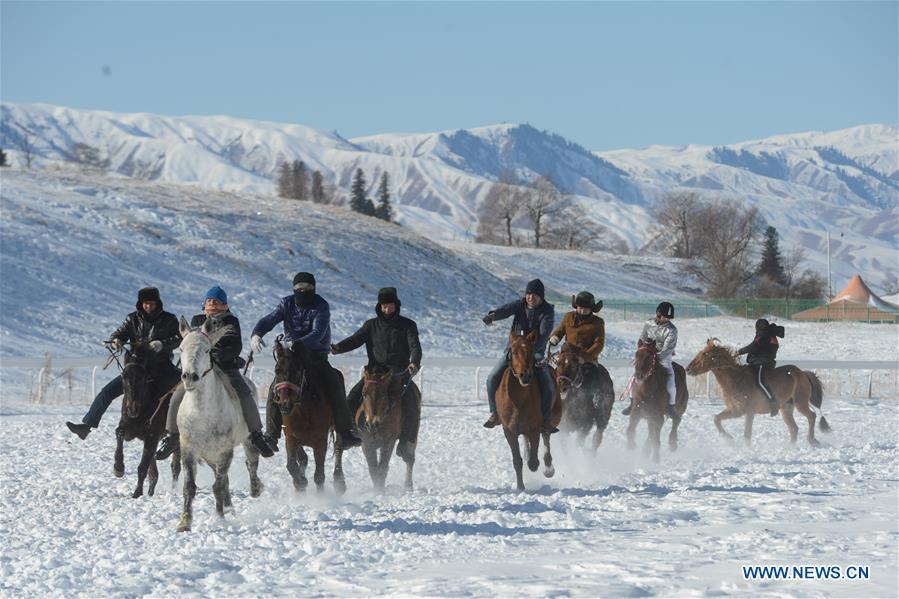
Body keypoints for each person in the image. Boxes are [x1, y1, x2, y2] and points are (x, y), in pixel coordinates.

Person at [155, 286, 274, 460]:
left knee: (244, 393)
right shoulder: (197, 319)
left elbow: (235, 346)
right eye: (209, 301)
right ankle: (172, 436)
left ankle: (256, 434)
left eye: (216, 301)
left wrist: (213, 357)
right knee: (176, 396)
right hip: (199, 369)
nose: (212, 304)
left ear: (224, 305)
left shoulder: (231, 321)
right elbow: (192, 342)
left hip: (224, 366)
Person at [250, 272, 362, 449]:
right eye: (298, 288)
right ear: (294, 289)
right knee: (275, 388)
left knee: (335, 383)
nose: (303, 290)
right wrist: (257, 333)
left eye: (307, 288)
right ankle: (272, 434)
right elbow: (270, 319)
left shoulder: (321, 306)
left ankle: (345, 432)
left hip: (316, 355)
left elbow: (318, 332)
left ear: (314, 288)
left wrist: (298, 342)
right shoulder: (286, 303)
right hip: (292, 357)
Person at [66, 287, 181, 439]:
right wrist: (116, 340)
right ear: (141, 303)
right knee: (107, 392)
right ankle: (86, 425)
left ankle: (176, 433)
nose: (149, 306)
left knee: (183, 389)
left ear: (158, 303)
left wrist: (162, 344)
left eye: (152, 303)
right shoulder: (132, 319)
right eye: (146, 303)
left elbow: (179, 337)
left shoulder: (170, 319)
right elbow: (119, 333)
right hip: (137, 368)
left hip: (161, 366)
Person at [331, 287, 422, 460]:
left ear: (396, 305)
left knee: (411, 403)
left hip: (398, 376)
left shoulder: (408, 325)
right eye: (383, 306)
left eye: (390, 306)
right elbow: (355, 339)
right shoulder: (371, 325)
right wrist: (338, 348)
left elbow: (415, 346)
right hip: (374, 376)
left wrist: (414, 362)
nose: (387, 309)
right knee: (351, 398)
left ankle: (405, 443)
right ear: (379, 306)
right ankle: (350, 435)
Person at [482, 278, 558, 434]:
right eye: (529, 293)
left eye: (535, 294)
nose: (531, 297)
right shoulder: (520, 304)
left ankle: (545, 419)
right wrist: (493, 316)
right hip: (514, 351)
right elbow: (506, 310)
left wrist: (531, 349)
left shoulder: (547, 311)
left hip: (535, 352)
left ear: (541, 297)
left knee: (549, 384)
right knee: (491, 378)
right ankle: (495, 413)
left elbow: (543, 334)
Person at [622, 301, 679, 419]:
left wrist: (656, 356)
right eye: (660, 316)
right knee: (633, 378)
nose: (663, 319)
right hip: (647, 355)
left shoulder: (672, 330)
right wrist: (642, 350)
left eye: (667, 318)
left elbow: (667, 349)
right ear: (657, 313)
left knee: (671, 384)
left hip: (663, 358)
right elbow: (642, 338)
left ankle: (671, 407)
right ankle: (632, 403)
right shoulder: (648, 323)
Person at [548, 291, 605, 397]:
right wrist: (555, 337)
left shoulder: (598, 322)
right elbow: (560, 330)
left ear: (591, 309)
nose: (582, 310)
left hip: (586, 358)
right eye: (579, 307)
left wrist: (586, 356)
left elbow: (599, 344)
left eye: (585, 308)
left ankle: (597, 399)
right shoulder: (568, 317)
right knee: (553, 375)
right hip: (567, 355)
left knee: (595, 377)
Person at [736, 318, 784, 416]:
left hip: (762, 363)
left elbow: (753, 346)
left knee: (760, 382)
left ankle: (773, 402)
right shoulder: (770, 334)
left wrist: (739, 352)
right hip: (762, 361)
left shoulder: (763, 335)